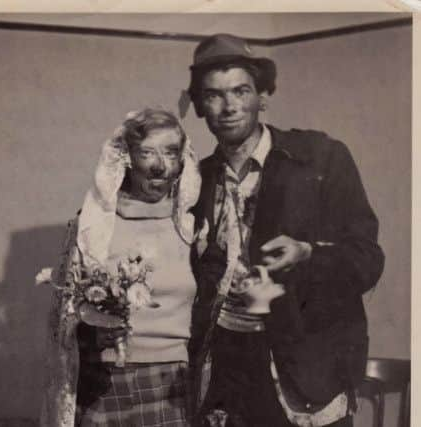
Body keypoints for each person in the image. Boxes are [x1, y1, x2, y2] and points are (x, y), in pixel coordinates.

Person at [186, 34, 385, 427]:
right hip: (225, 371)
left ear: (263, 97)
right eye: (213, 95)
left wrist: (308, 255)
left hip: (305, 373)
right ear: (199, 106)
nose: (228, 107)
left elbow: (367, 260)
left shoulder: (321, 158)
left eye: (241, 91)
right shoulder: (195, 180)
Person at [39, 108, 202, 427]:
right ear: (127, 158)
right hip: (104, 383)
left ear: (183, 159)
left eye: (170, 152)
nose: (159, 165)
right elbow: (65, 318)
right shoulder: (92, 227)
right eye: (147, 152)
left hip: (173, 385)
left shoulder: (195, 227)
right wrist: (91, 330)